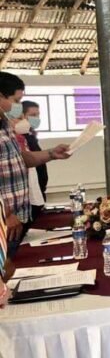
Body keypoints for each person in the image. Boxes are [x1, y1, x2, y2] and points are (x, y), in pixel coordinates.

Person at [0, 72, 69, 258]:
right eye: (16, 100)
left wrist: (51, 153)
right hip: (5, 220)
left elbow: (23, 158)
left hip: (17, 217)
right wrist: (6, 213)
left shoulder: (6, 126)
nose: (18, 106)